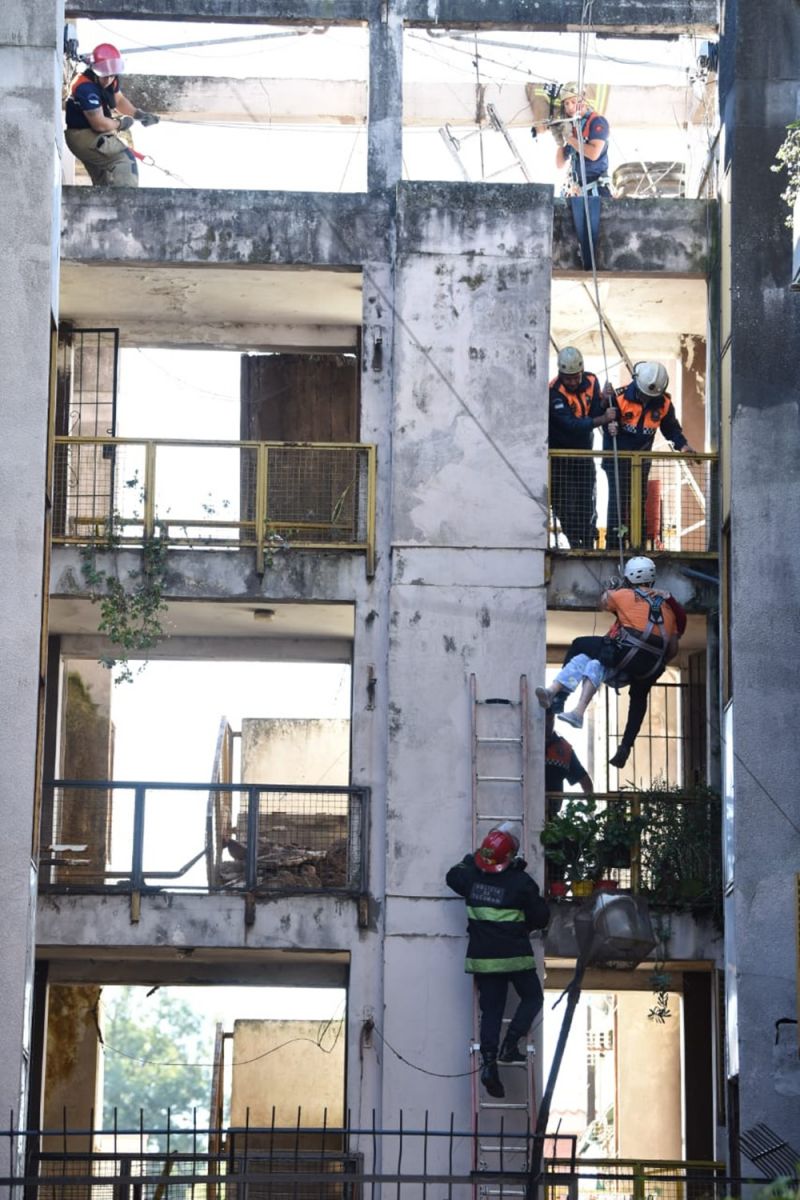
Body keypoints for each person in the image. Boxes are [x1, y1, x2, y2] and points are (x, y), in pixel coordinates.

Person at [535, 557, 686, 755]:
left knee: (580, 645)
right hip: (651, 666)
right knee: (638, 700)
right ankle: (625, 747)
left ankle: (559, 697)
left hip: (625, 655)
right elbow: (673, 648)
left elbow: (603, 601)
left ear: (629, 578)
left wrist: (616, 588)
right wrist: (659, 661)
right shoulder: (668, 609)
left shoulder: (626, 595)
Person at [446, 825, 549, 1099]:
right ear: (509, 858)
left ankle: (489, 1065)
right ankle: (510, 1044)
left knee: (491, 1012)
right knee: (533, 998)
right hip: (515, 957)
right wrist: (519, 873)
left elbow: (452, 874)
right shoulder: (520, 882)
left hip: (484, 961)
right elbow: (541, 917)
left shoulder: (468, 878)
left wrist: (472, 859)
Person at [603, 361, 697, 551]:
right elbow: (602, 417)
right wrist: (608, 424)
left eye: (650, 396)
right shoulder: (619, 398)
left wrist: (684, 447)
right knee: (618, 499)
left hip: (641, 461)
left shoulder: (664, 403)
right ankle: (614, 542)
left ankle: (639, 542)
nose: (647, 399)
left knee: (639, 499)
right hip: (616, 459)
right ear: (637, 385)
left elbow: (672, 430)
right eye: (645, 395)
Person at [549, 346, 618, 548]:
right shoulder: (554, 393)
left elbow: (593, 409)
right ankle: (574, 540)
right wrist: (603, 418)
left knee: (587, 499)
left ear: (581, 372)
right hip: (562, 455)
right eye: (567, 378)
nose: (572, 382)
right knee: (565, 501)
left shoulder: (591, 381)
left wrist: (604, 401)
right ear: (560, 374)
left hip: (584, 453)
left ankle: (588, 539)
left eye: (575, 377)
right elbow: (571, 426)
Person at [65, 43, 160, 187]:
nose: (109, 80)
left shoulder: (110, 79)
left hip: (90, 135)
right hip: (82, 136)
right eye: (105, 76)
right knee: (125, 159)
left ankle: (104, 207)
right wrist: (120, 124)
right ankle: (126, 204)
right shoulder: (86, 88)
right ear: (96, 71)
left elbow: (119, 100)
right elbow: (99, 124)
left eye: (112, 76)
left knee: (106, 181)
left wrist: (138, 114)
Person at [552, 82, 611, 270]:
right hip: (579, 192)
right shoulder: (573, 127)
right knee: (581, 241)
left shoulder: (597, 122)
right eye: (566, 104)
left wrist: (570, 138)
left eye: (573, 102)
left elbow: (593, 153)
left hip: (597, 189)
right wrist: (560, 140)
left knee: (600, 240)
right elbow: (560, 164)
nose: (569, 107)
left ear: (583, 101)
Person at [545, 710, 593, 815]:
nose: (547, 724)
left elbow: (585, 781)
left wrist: (590, 811)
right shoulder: (525, 744)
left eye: (550, 719)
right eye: (544, 720)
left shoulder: (563, 749)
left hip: (552, 814)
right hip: (523, 811)